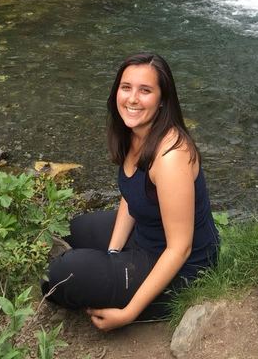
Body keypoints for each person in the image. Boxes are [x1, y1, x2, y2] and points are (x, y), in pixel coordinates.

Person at [43, 51, 219, 332]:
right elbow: (132, 195)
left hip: (185, 268)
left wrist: (128, 313)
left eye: (145, 90)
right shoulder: (134, 134)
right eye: (126, 88)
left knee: (63, 275)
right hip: (147, 237)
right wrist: (113, 251)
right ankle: (117, 267)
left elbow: (180, 248)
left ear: (162, 100)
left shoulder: (171, 156)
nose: (133, 99)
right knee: (72, 229)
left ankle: (154, 304)